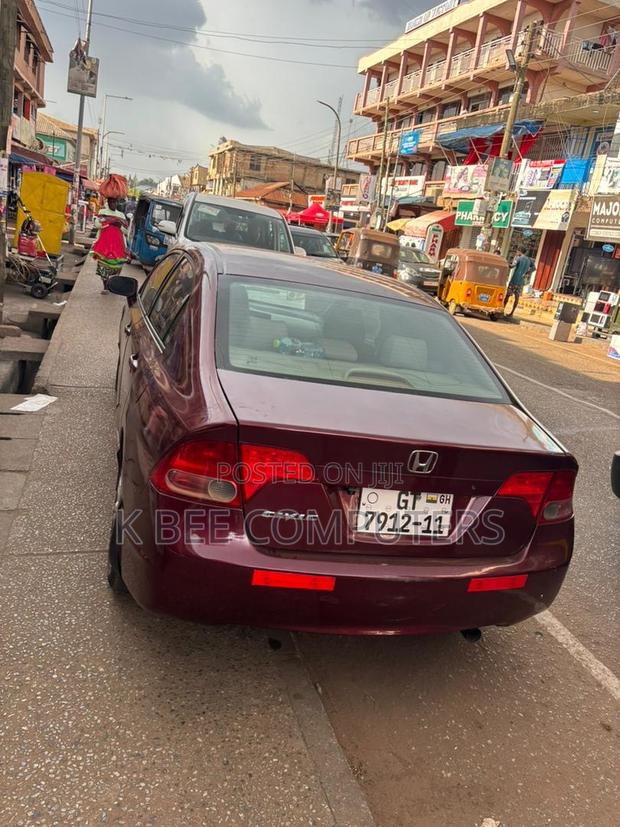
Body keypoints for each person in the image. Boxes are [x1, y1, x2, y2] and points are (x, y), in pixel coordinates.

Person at [91, 197, 129, 293]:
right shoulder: (102, 212)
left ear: (117, 203)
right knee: (103, 265)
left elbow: (126, 230)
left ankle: (112, 285)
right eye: (111, 202)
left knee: (117, 266)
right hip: (104, 245)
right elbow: (97, 225)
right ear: (108, 202)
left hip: (118, 246)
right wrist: (109, 222)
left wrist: (119, 226)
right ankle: (106, 287)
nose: (113, 204)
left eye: (115, 202)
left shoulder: (121, 215)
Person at [505, 247, 535, 314]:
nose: (516, 253)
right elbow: (534, 268)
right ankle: (512, 313)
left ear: (519, 251)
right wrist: (527, 273)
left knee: (507, 296)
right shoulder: (529, 260)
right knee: (517, 297)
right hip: (521, 282)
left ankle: (503, 309)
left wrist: (506, 263)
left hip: (514, 280)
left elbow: (512, 266)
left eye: (517, 252)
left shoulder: (518, 258)